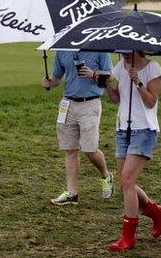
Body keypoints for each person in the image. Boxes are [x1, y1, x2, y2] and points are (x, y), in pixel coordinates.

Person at [105, 50, 161, 251]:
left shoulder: (153, 68)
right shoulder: (120, 67)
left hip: (144, 130)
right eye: (120, 52)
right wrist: (106, 83)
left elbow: (151, 102)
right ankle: (155, 212)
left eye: (126, 52)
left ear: (136, 49)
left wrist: (138, 81)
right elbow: (116, 99)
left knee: (126, 181)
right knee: (127, 184)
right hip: (123, 129)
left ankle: (128, 237)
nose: (123, 55)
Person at [42, 50, 114, 205]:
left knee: (89, 149)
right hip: (68, 103)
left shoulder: (98, 49)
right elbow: (57, 77)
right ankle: (72, 193)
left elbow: (111, 76)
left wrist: (93, 74)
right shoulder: (63, 50)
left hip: (91, 103)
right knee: (70, 149)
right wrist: (49, 83)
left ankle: (105, 175)